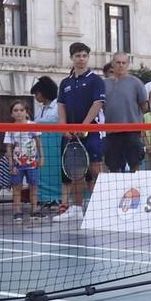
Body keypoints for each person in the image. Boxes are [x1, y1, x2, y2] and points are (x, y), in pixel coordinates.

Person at [55, 42, 105, 220]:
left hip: (90, 131)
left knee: (95, 169)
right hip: (70, 133)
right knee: (75, 170)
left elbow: (97, 104)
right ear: (72, 58)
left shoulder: (96, 80)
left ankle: (99, 207)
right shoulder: (65, 83)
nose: (81, 59)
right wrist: (63, 126)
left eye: (84, 55)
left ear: (88, 57)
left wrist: (84, 125)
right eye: (78, 56)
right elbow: (61, 105)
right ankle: (76, 208)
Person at [101, 53, 151, 174]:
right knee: (113, 166)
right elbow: (100, 106)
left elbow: (144, 106)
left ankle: (135, 191)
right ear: (112, 63)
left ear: (128, 64)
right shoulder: (103, 83)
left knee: (134, 164)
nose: (121, 65)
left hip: (132, 130)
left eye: (123, 63)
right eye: (118, 62)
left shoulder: (136, 83)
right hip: (111, 131)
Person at [2, 100, 43, 221]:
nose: (19, 113)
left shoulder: (33, 125)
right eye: (16, 110)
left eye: (21, 110)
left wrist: (42, 157)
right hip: (17, 164)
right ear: (12, 114)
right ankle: (17, 211)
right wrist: (10, 165)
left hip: (32, 162)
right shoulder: (10, 129)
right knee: (16, 187)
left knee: (34, 185)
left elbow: (39, 142)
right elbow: (8, 148)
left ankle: (34, 210)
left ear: (26, 112)